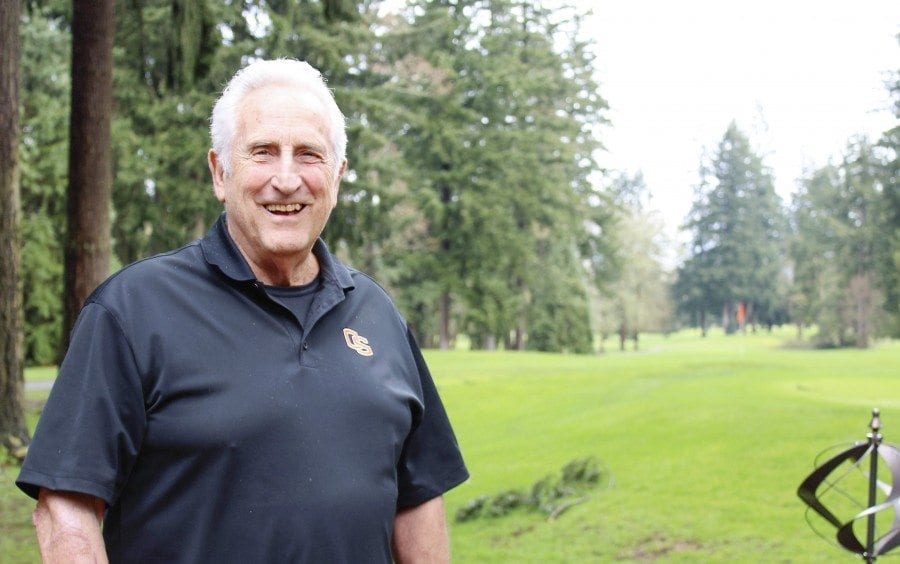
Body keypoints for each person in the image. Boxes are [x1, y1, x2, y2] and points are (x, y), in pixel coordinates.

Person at [17, 58, 468, 563]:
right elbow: (66, 506)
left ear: (337, 177)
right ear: (220, 172)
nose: (286, 178)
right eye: (262, 153)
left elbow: (419, 497)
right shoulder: (132, 311)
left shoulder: (377, 315)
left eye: (308, 155)